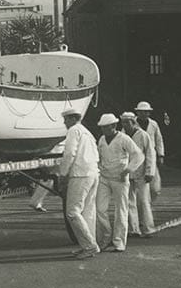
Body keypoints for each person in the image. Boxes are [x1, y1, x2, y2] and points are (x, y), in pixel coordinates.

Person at [95, 113, 144, 253]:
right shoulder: (102, 139)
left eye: (106, 127)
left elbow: (138, 155)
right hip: (104, 177)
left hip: (120, 179)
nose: (104, 130)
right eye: (102, 127)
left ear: (114, 126)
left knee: (121, 210)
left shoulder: (124, 139)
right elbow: (99, 156)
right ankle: (105, 238)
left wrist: (128, 169)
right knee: (100, 209)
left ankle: (119, 241)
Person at [57, 107, 100, 259]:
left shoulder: (74, 130)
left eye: (66, 119)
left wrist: (62, 174)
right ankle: (88, 245)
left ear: (73, 119)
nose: (64, 122)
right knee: (88, 212)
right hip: (93, 173)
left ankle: (90, 246)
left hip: (80, 174)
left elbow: (69, 153)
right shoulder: (87, 132)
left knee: (72, 212)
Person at [121, 112, 156, 238]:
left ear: (133, 122)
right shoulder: (122, 135)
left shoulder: (143, 135)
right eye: (123, 122)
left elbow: (150, 154)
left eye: (127, 122)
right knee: (129, 201)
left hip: (141, 173)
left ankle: (148, 228)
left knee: (144, 201)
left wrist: (149, 172)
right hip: (128, 173)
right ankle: (134, 229)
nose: (125, 125)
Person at [135, 101, 165, 197]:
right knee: (137, 187)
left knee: (155, 188)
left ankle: (150, 203)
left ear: (149, 113)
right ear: (137, 112)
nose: (144, 114)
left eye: (146, 112)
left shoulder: (153, 124)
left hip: (151, 156)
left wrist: (161, 155)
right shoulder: (131, 123)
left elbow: (159, 139)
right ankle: (142, 207)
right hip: (136, 156)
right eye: (141, 112)